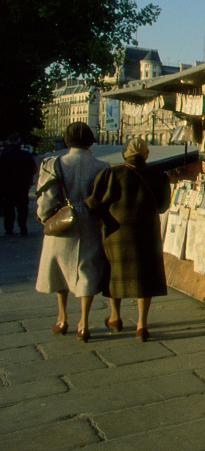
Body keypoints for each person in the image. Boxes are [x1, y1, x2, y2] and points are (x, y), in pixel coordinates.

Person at [86, 137, 171, 342]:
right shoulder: (159, 176)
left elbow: (94, 203)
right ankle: (142, 324)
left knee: (115, 274)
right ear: (146, 154)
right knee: (145, 276)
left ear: (124, 154)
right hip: (147, 232)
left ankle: (115, 316)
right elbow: (162, 206)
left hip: (116, 233)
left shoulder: (110, 174)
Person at [35, 123, 109, 342]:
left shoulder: (54, 164)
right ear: (90, 140)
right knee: (85, 269)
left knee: (59, 269)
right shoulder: (102, 166)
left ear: (67, 140)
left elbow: (48, 198)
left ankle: (62, 318)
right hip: (89, 219)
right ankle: (84, 323)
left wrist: (45, 217)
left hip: (62, 218)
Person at [0, 134, 37, 236]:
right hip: (22, 185)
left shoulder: (3, 155)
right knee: (22, 208)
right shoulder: (26, 155)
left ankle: (9, 229)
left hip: (7, 186)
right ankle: (23, 227)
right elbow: (33, 169)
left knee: (8, 209)